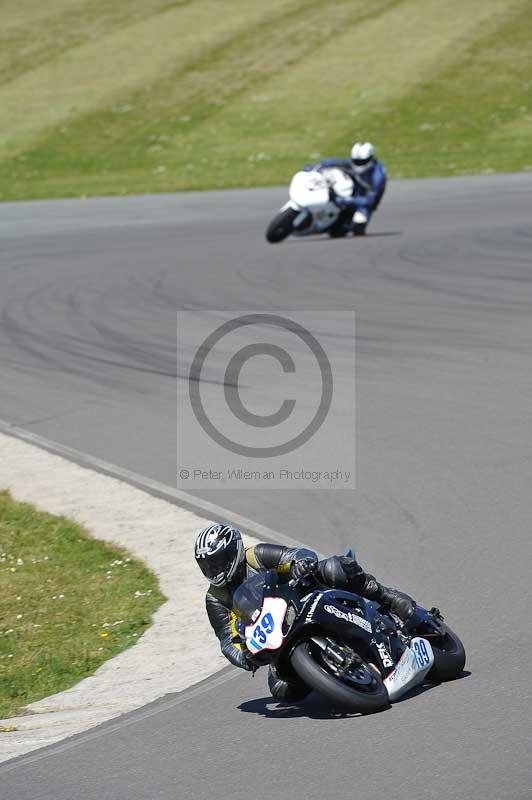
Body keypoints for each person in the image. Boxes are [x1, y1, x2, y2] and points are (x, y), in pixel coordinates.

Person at [195, 523, 415, 702]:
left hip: (300, 600)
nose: (213, 570)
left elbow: (296, 554)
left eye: (217, 562)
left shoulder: (255, 556)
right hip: (275, 636)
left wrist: (299, 564)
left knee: (334, 568)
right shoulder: (215, 598)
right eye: (207, 566)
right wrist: (243, 656)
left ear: (233, 552)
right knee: (281, 689)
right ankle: (334, 676)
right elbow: (226, 639)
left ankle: (388, 597)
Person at [312, 141, 387, 234]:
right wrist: (314, 168)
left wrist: (347, 200)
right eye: (356, 161)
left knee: (358, 227)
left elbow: (369, 201)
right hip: (350, 192)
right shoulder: (351, 163)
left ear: (371, 159)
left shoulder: (378, 177)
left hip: (364, 202)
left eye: (362, 162)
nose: (358, 164)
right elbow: (332, 162)